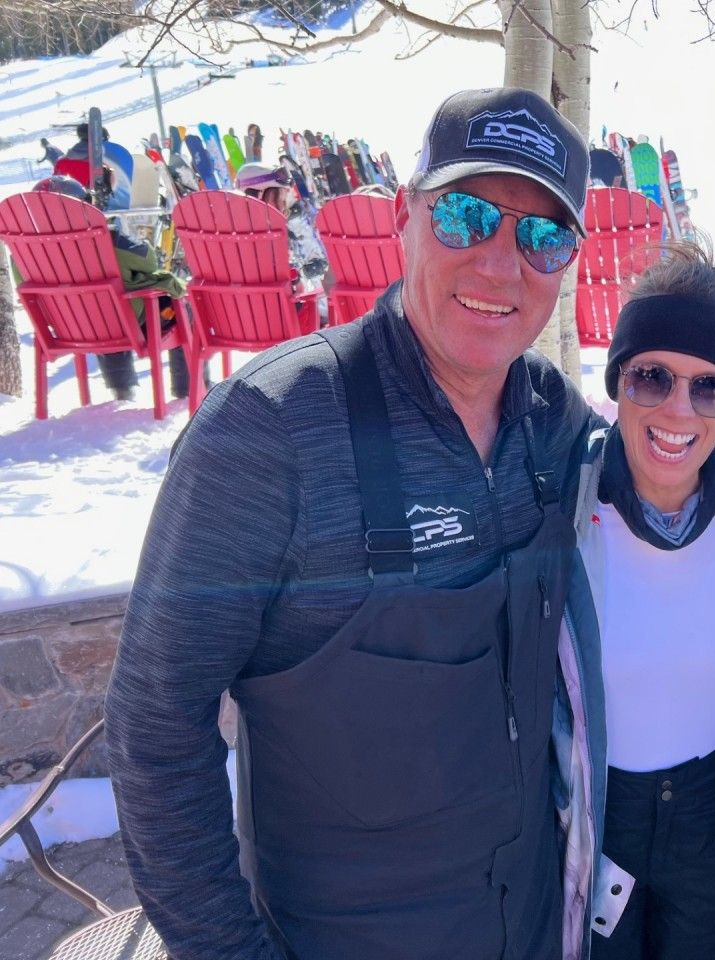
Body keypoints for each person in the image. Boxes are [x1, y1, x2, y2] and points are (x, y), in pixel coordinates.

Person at [106, 87, 606, 960]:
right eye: (465, 215)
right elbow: (156, 725)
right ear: (404, 221)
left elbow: (677, 463)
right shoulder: (270, 432)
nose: (500, 264)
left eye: (542, 235)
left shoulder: (552, 423)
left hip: (527, 924)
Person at [579, 243, 715, 959]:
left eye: (710, 387)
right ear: (618, 381)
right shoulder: (560, 503)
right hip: (599, 810)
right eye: (652, 377)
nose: (678, 410)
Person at [24, 175, 189, 402]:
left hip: (68, 325)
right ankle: (187, 390)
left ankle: (121, 391)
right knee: (179, 305)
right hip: (129, 324)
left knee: (100, 313)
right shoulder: (108, 241)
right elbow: (148, 261)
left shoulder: (24, 255)